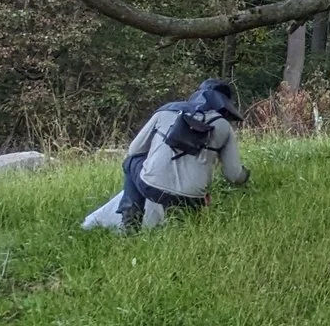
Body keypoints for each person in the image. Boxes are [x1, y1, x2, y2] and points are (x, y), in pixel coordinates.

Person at [87, 79, 248, 231]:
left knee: (131, 161)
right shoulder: (224, 127)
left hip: (152, 189)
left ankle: (130, 221)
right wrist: (245, 175)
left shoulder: (166, 111)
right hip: (193, 200)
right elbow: (233, 175)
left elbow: (134, 150)